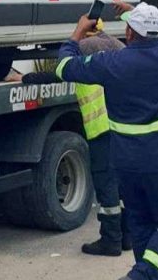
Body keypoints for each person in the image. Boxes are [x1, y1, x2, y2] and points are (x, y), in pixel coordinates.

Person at [55, 2, 158, 280]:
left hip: (127, 163)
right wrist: (143, 12)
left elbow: (63, 67)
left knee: (141, 223)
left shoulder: (112, 62)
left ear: (129, 32)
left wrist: (78, 32)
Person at [22, 21, 131, 256]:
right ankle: (127, 236)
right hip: (123, 127)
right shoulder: (119, 46)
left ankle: (111, 240)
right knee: (122, 182)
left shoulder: (86, 46)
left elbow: (62, 70)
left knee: (105, 184)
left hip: (101, 128)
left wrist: (27, 78)